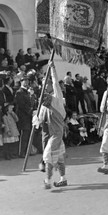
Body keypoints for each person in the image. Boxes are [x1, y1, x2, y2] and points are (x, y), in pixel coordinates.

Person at [34, 61, 68, 189]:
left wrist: (52, 68)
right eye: (42, 86)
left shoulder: (57, 98)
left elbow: (55, 82)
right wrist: (36, 120)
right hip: (52, 134)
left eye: (45, 86)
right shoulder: (45, 105)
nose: (43, 89)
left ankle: (47, 181)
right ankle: (63, 179)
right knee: (59, 159)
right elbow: (40, 119)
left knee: (48, 157)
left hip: (57, 134)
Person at [14, 75, 34, 157]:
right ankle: (21, 152)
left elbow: (32, 103)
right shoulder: (19, 92)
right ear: (21, 82)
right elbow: (21, 105)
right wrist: (30, 111)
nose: (26, 82)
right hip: (23, 116)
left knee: (28, 133)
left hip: (28, 115)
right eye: (24, 80)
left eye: (27, 80)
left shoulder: (28, 92)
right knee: (24, 134)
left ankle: (26, 151)